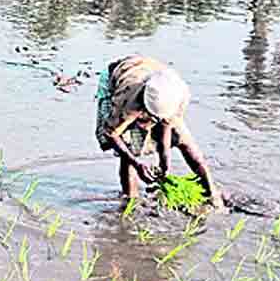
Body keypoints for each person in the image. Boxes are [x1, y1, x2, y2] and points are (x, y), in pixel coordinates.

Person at [95, 55, 225, 210]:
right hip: (118, 77)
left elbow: (166, 126)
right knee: (130, 147)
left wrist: (164, 164)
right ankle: (130, 200)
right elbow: (111, 133)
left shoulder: (177, 94)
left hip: (152, 78)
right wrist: (137, 164)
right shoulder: (127, 99)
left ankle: (212, 193)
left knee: (184, 141)